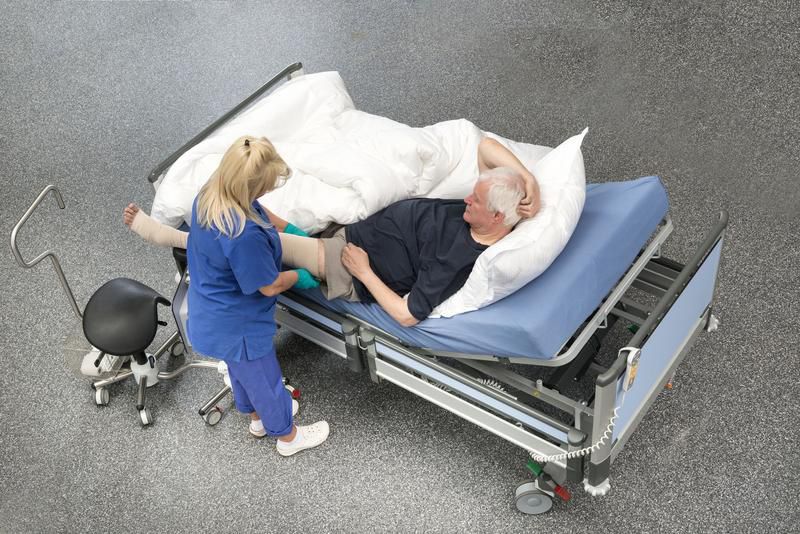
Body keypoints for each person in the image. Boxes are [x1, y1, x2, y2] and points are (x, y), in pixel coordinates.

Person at [124, 136, 540, 327]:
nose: (465, 198)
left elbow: (407, 315)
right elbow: (485, 147)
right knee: (272, 222)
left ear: (495, 218)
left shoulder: (458, 257)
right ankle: (235, 206)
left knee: (267, 240)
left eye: (474, 201)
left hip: (347, 260)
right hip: (351, 230)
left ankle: (177, 238)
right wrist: (530, 183)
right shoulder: (495, 206)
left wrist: (364, 272)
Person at [185, 135, 329, 456]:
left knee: (242, 373)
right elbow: (269, 286)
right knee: (265, 380)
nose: (264, 194)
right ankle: (288, 437)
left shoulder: (210, 194)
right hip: (238, 325)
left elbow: (256, 208)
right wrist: (302, 276)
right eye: (263, 188)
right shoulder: (242, 235)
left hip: (210, 311)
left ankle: (258, 420)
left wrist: (289, 229)